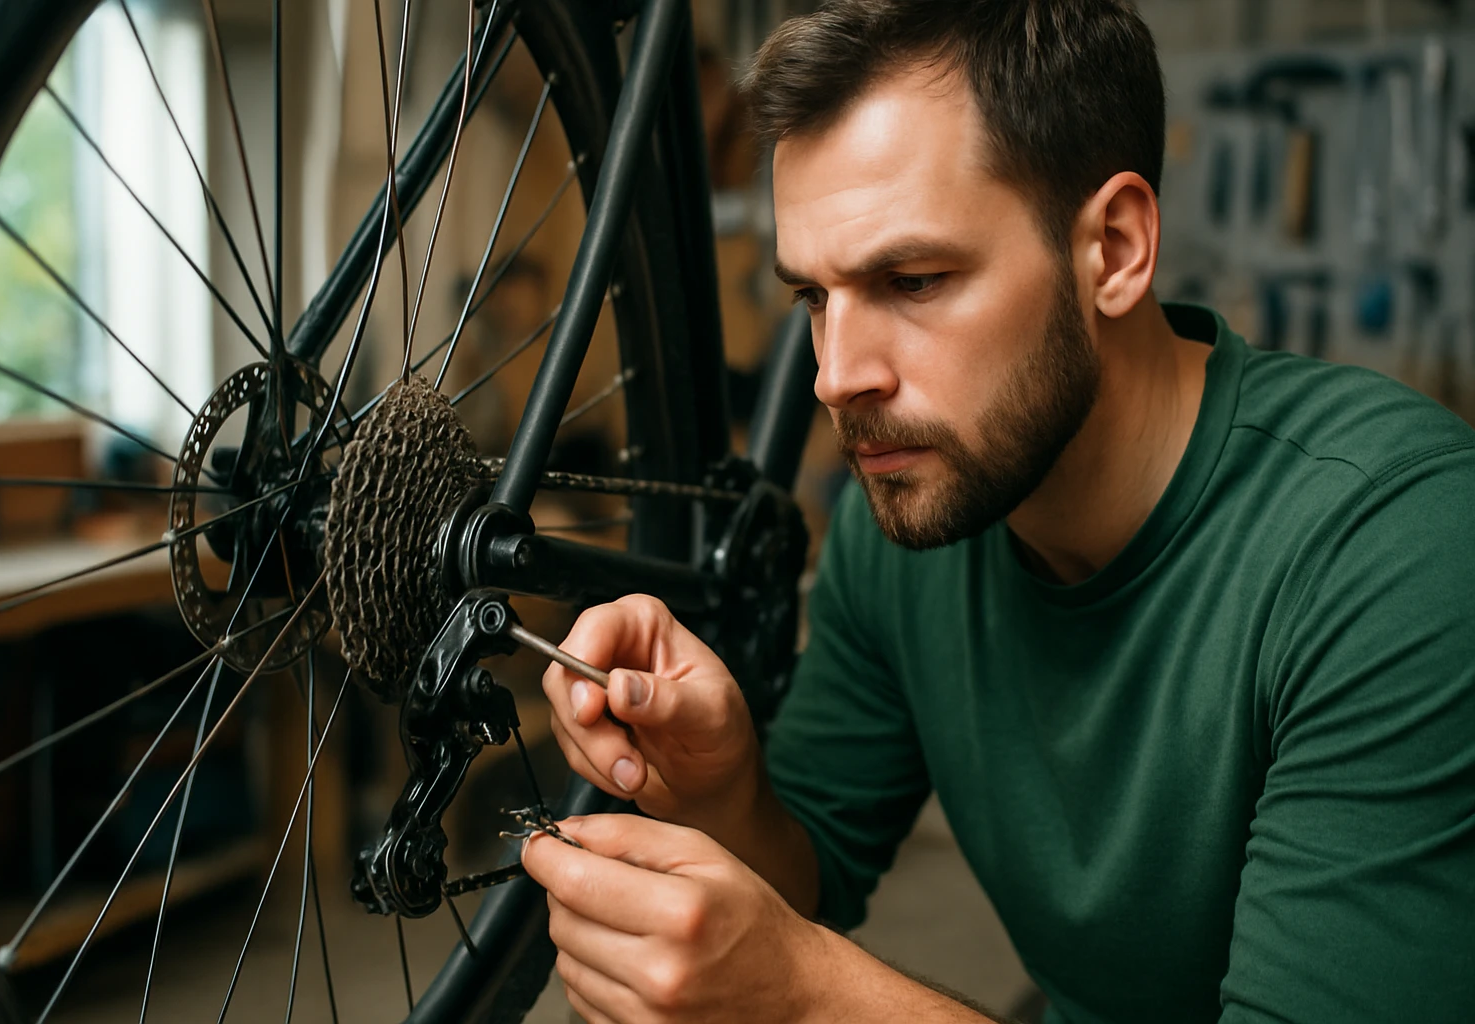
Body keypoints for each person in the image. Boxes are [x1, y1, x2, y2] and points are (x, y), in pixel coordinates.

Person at [519, 1, 1475, 1021]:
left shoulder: (1399, 548)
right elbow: (806, 872)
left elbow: (797, 959)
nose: (838, 378)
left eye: (913, 279)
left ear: (1113, 248)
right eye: (815, 298)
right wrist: (721, 787)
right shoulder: (915, 513)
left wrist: (803, 995)